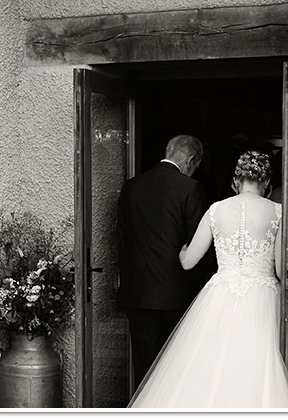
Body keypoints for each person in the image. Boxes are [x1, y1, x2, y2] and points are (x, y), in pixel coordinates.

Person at [128, 150, 288, 408]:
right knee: (258, 363)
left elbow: (188, 263)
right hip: (262, 296)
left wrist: (183, 248)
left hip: (220, 295)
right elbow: (280, 269)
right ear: (265, 182)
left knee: (210, 365)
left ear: (236, 180)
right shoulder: (277, 211)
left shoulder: (216, 209)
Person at [117, 134, 209, 387]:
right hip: (176, 294)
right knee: (180, 368)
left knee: (144, 370)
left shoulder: (131, 186)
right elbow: (195, 244)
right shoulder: (190, 188)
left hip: (137, 294)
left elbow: (123, 242)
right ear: (190, 161)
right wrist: (201, 287)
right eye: (196, 165)